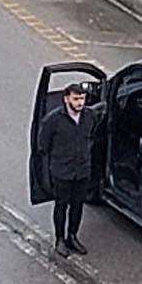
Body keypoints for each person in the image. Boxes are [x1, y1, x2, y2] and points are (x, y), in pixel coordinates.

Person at [36, 78, 100, 255]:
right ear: (66, 99)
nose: (80, 103)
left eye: (82, 99)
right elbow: (43, 145)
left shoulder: (90, 116)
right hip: (62, 171)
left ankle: (73, 236)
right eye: (76, 99)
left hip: (82, 170)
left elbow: (92, 136)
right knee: (61, 205)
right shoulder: (53, 120)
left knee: (78, 205)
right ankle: (60, 239)